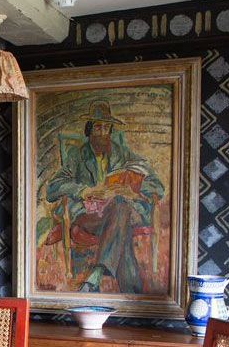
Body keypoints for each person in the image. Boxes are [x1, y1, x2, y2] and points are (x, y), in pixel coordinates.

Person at [45, 101, 164, 293]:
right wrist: (84, 191)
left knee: (120, 205)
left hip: (118, 212)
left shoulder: (122, 153)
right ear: (90, 129)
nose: (102, 132)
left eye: (106, 127)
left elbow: (158, 185)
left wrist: (133, 190)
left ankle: (96, 275)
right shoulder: (77, 155)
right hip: (89, 216)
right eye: (98, 127)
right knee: (121, 214)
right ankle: (132, 292)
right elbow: (53, 188)